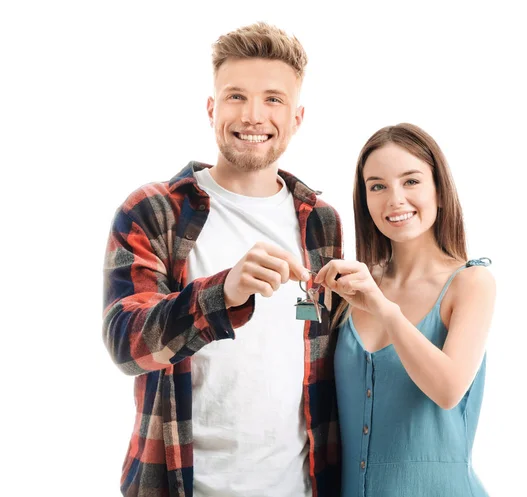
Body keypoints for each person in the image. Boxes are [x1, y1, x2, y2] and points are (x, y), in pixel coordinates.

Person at [103, 22, 342, 497]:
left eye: (273, 99)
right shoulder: (154, 210)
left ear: (297, 118)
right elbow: (126, 343)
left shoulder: (322, 222)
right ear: (212, 108)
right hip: (178, 484)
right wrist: (224, 292)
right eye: (236, 96)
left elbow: (322, 353)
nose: (253, 115)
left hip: (299, 486)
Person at [315, 123, 496, 497]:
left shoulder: (471, 283)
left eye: (411, 181)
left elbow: (448, 390)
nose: (394, 199)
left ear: (440, 192)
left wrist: (385, 309)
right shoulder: (353, 287)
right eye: (377, 186)